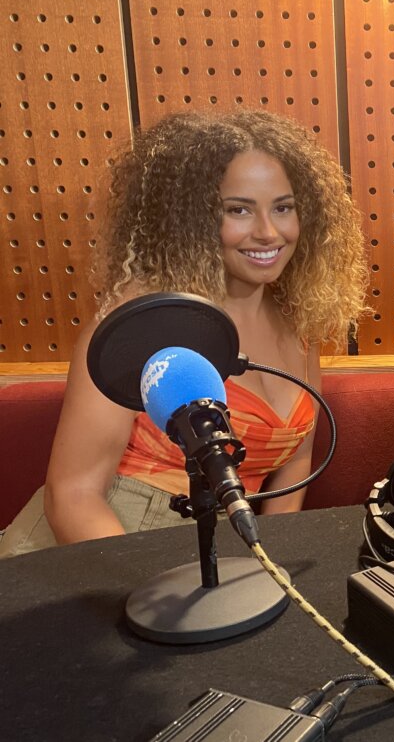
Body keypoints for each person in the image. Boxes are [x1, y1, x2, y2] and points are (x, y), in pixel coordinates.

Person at [0, 110, 368, 556]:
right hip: (102, 546)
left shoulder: (300, 319)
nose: (269, 232)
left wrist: (271, 563)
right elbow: (73, 496)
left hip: (220, 546)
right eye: (238, 210)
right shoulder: (141, 317)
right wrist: (148, 597)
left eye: (283, 207)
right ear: (190, 219)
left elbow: (296, 463)